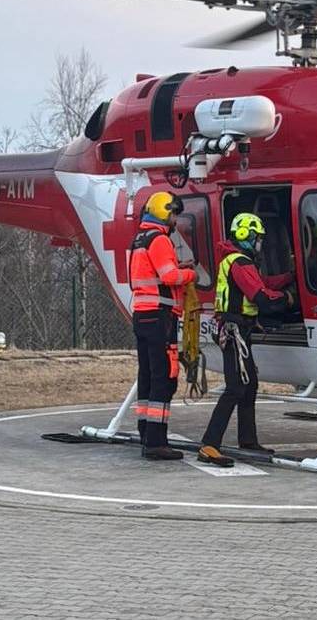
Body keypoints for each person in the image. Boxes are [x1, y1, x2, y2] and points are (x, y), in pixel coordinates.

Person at [198, 212, 294, 468]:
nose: (261, 243)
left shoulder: (241, 262)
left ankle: (248, 440)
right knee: (235, 388)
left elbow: (262, 282)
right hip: (235, 332)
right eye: (258, 238)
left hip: (242, 330)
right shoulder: (239, 262)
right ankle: (209, 445)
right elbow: (259, 295)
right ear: (246, 235)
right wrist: (286, 299)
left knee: (249, 384)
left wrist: (290, 276)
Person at [129, 191, 196, 461]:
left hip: (142, 315)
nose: (175, 220)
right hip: (160, 316)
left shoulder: (140, 239)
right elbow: (169, 275)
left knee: (146, 374)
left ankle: (145, 430)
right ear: (164, 213)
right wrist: (190, 273)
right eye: (173, 214)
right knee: (164, 377)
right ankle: (156, 441)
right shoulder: (159, 240)